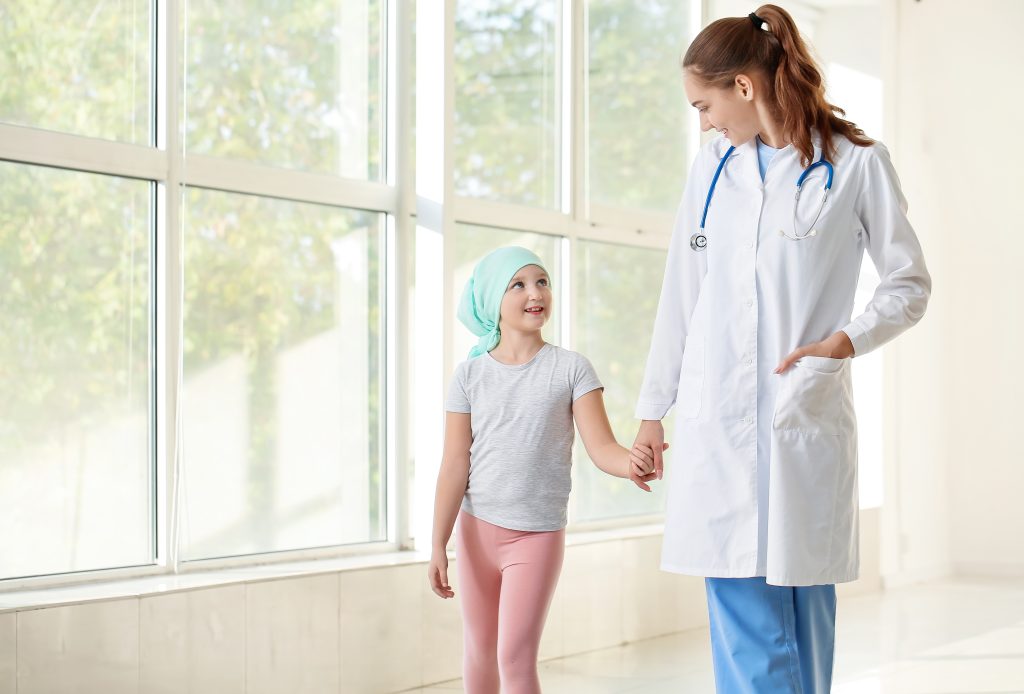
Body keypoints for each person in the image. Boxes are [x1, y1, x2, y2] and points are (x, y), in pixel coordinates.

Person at [631, 5, 931, 693]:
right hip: (718, 426)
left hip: (801, 414)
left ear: (743, 86)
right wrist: (653, 410)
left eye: (703, 105)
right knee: (749, 622)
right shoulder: (712, 169)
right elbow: (683, 295)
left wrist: (843, 343)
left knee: (804, 616)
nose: (701, 123)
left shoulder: (854, 164)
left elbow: (909, 283)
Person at [427, 246, 663, 694]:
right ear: (493, 299)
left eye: (542, 282)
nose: (535, 293)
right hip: (475, 531)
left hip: (535, 535)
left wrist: (633, 462)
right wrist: (438, 543)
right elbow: (454, 464)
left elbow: (603, 448)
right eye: (518, 284)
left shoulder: (571, 368)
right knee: (478, 650)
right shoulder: (469, 375)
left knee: (513, 657)